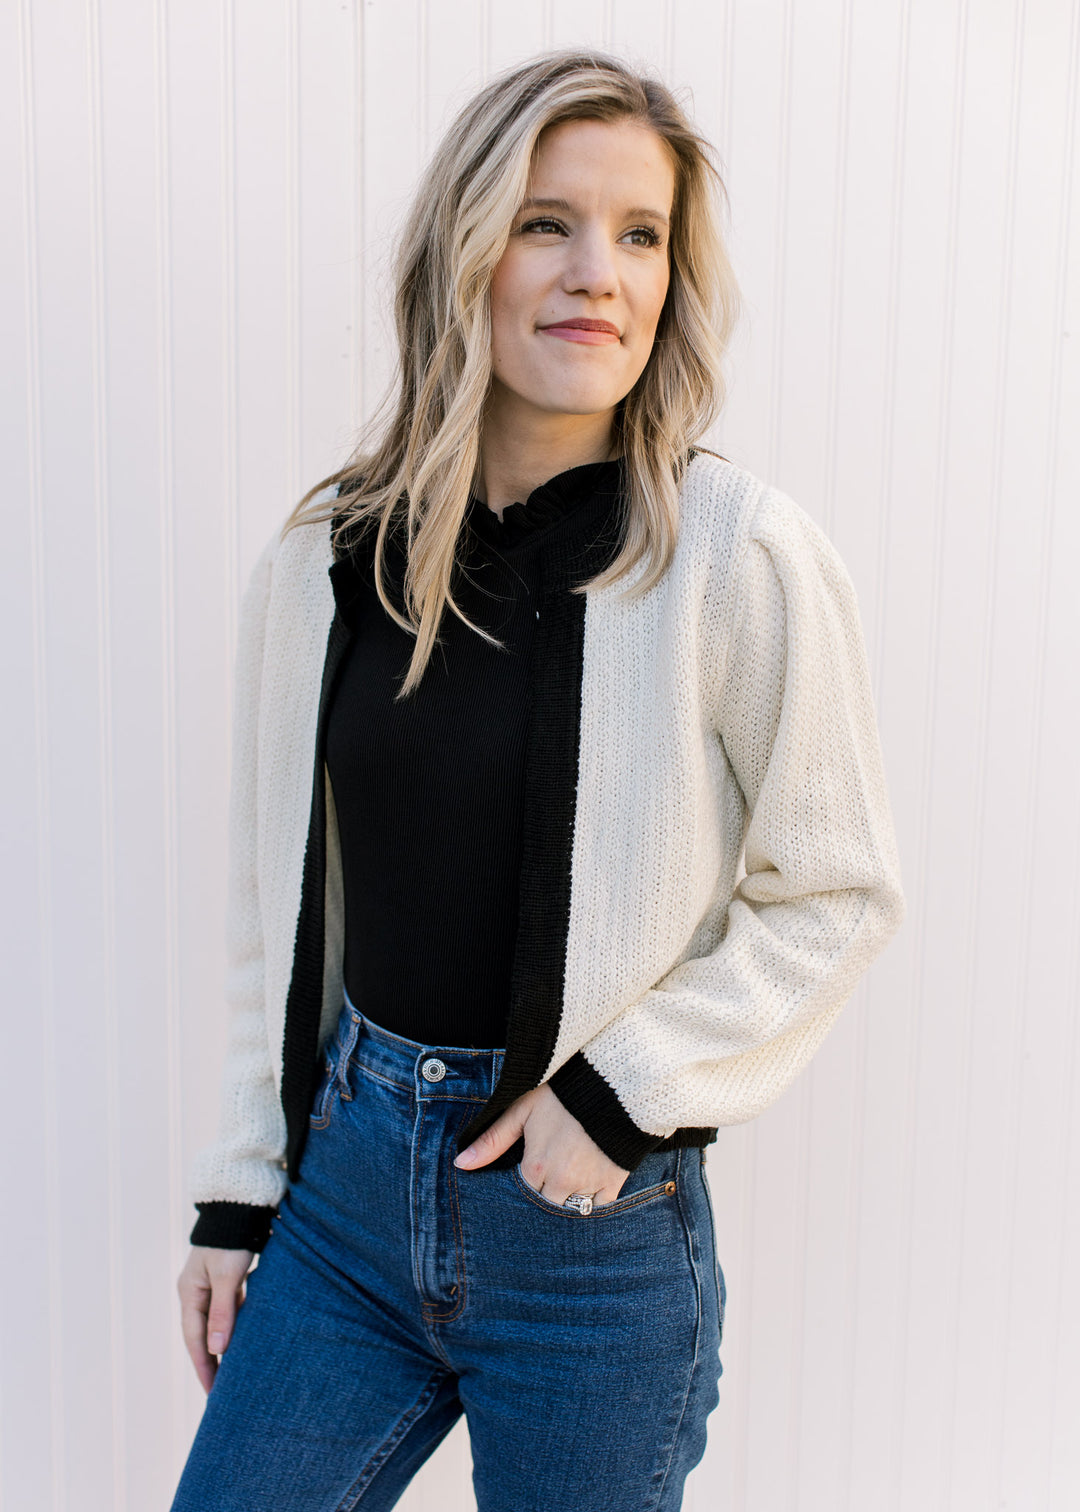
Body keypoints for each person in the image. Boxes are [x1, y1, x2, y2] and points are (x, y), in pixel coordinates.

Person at [171, 48, 905, 1512]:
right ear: (468, 250)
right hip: (344, 1209)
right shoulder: (324, 562)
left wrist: (620, 1098)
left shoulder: (732, 553)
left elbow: (834, 889)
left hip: (593, 1237)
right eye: (547, 222)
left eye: (641, 236)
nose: (597, 274)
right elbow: (279, 910)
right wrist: (246, 1185)